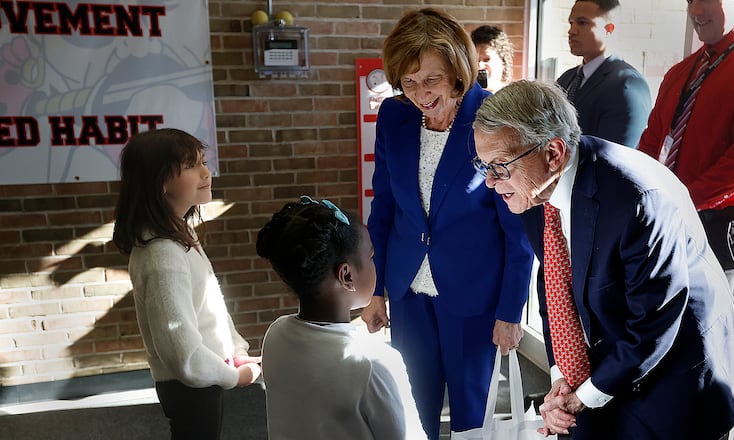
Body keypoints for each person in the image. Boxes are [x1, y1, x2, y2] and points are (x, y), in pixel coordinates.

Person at [472, 80, 734, 439]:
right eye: (484, 166)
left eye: (499, 167)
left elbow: (651, 326)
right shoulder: (533, 189)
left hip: (676, 380)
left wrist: (579, 397)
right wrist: (562, 381)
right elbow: (553, 286)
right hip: (613, 360)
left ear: (553, 153)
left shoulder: (635, 199)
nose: (491, 183)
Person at [360, 8, 534, 439]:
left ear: (457, 70)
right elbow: (383, 207)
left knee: (470, 417)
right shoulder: (394, 117)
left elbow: (519, 229)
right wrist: (376, 287)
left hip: (474, 299)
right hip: (408, 294)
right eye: (409, 81)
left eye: (431, 80)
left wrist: (511, 311)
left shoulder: (496, 118)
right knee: (413, 415)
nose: (420, 93)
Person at [112, 128, 261, 440]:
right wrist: (233, 376)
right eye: (192, 165)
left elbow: (208, 305)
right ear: (160, 181)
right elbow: (184, 354)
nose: (206, 173)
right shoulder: (162, 254)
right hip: (190, 383)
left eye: (204, 162)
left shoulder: (178, 233)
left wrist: (233, 350)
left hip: (204, 376)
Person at [638, 0, 734, 310]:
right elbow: (651, 142)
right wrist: (644, 197)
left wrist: (677, 201)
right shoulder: (681, 72)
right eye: (690, 1)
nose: (695, 11)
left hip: (723, 226)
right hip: (673, 218)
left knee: (717, 334)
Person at [256, 196, 427, 440]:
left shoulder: (276, 335)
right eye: (370, 257)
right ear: (346, 275)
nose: (374, 263)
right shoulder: (374, 362)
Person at [556, 0, 651, 148]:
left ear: (609, 29)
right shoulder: (566, 79)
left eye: (582, 23)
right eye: (571, 23)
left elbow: (616, 158)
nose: (572, 31)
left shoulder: (627, 85)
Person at [471, 25, 515, 92]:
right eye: (475, 60)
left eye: (487, 60)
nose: (479, 66)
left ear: (503, 62)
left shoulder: (515, 99)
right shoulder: (463, 99)